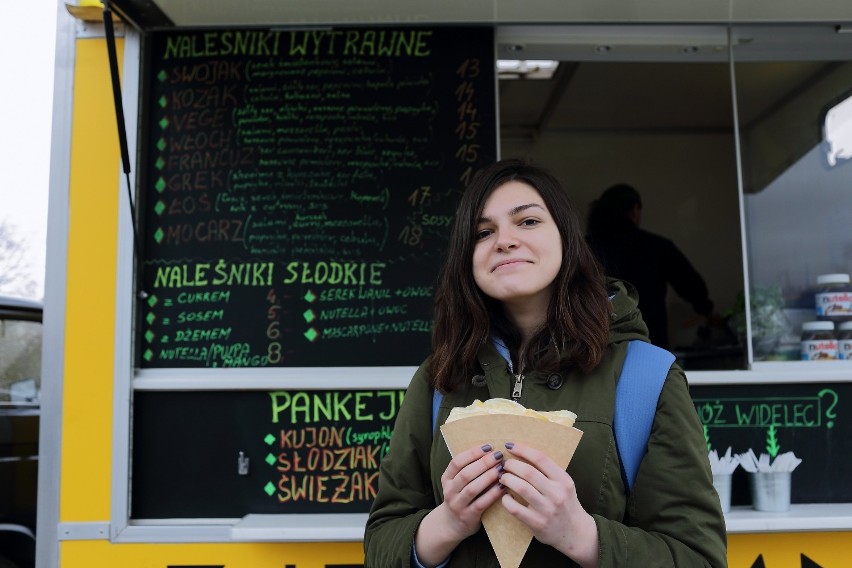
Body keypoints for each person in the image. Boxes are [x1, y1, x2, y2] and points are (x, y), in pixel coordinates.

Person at [364, 160, 727, 567]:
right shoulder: (439, 378)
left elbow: (700, 558)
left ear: (567, 237)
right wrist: (447, 522)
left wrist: (578, 533)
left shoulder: (646, 377)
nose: (504, 241)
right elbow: (380, 543)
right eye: (483, 232)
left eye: (528, 221)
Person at [585, 183, 714, 350]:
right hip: (649, 344)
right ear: (635, 209)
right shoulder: (656, 246)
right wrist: (705, 308)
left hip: (598, 347)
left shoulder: (584, 248)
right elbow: (694, 288)